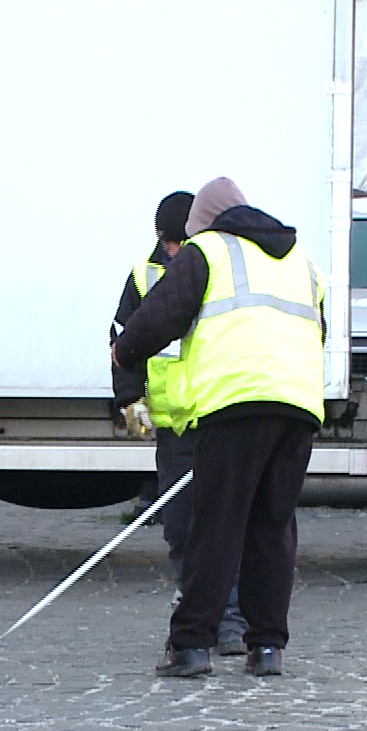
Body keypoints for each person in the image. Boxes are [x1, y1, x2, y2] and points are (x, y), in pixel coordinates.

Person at [112, 177, 325, 678]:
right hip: (296, 403)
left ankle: (190, 646)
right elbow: (320, 330)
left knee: (217, 525)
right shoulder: (301, 260)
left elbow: (160, 315)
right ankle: (267, 648)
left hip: (235, 403)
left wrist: (125, 353)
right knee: (273, 527)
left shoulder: (207, 250)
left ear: (202, 222)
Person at [111, 190, 248, 657]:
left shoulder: (215, 269)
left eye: (182, 242)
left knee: (225, 524)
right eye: (170, 244)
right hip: (175, 426)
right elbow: (122, 341)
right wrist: (130, 400)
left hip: (218, 415)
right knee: (183, 528)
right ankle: (199, 610)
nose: (176, 252)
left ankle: (229, 622)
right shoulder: (145, 277)